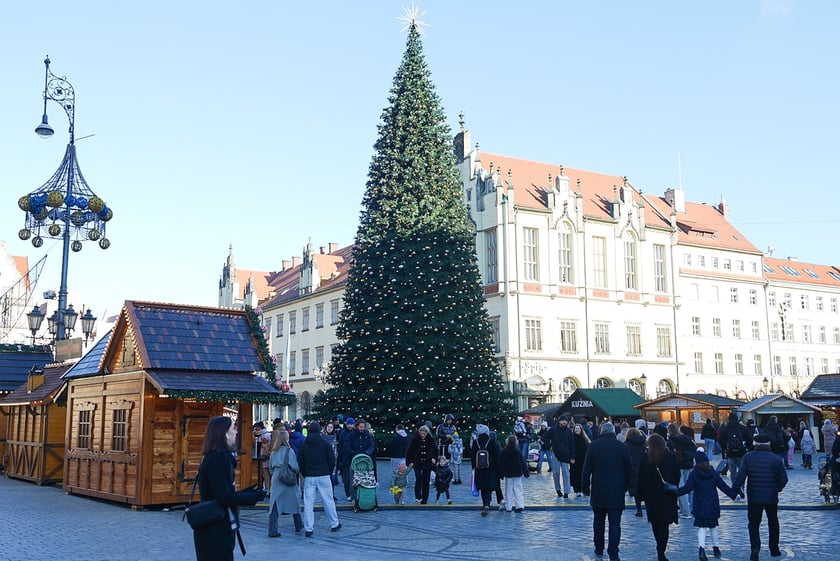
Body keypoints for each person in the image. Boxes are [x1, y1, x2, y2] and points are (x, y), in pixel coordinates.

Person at [193, 416, 264, 561]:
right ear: (224, 433)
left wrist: (247, 493)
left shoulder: (221, 457)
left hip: (219, 526)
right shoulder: (216, 459)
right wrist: (252, 498)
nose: (236, 432)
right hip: (213, 528)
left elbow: (224, 492)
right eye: (233, 428)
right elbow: (223, 496)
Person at [731, 434, 788, 561]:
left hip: (754, 497)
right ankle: (774, 549)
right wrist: (776, 488)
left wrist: (733, 491)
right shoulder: (776, 459)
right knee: (773, 523)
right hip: (771, 497)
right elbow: (784, 479)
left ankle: (755, 550)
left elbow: (740, 476)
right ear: (769, 444)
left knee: (754, 524)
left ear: (755, 444)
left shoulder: (748, 457)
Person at [580, 421, 632, 561]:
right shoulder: (622, 447)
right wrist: (625, 487)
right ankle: (613, 552)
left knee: (598, 521)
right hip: (617, 489)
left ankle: (598, 548)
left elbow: (586, 469)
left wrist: (585, 488)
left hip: (598, 489)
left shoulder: (593, 446)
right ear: (613, 432)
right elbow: (629, 470)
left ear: (601, 431)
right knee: (615, 523)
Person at [678, 450, 737, 561]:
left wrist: (675, 492)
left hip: (700, 504)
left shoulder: (694, 473)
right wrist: (733, 494)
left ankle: (701, 549)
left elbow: (688, 488)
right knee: (713, 527)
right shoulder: (713, 473)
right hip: (712, 503)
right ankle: (716, 548)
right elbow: (723, 486)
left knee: (702, 528)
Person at [636, 433, 680, 561]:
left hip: (651, 496)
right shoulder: (671, 457)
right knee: (664, 524)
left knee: (655, 523)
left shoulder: (646, 458)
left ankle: (659, 547)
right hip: (667, 496)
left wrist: (639, 495)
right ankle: (661, 550)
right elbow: (676, 476)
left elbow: (640, 478)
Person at [298, 421, 341, 537]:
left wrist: (305, 473)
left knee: (308, 503)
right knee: (328, 500)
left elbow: (300, 462)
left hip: (309, 476)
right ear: (319, 430)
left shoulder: (304, 445)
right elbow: (332, 460)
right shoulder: (325, 443)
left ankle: (308, 528)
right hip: (323, 475)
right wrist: (328, 471)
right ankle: (334, 523)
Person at [267, 427, 302, 537]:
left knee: (275, 504)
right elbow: (295, 467)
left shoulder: (273, 452)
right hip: (288, 477)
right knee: (294, 502)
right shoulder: (289, 450)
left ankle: (272, 530)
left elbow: (270, 468)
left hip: (277, 477)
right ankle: (298, 525)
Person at [667, 423, 696, 519]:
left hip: (679, 466)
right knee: (690, 488)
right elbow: (694, 449)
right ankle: (692, 509)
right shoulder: (686, 439)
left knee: (681, 488)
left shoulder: (671, 440)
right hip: (689, 464)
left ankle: (686, 511)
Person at [471, 423, 501, 516]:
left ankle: (485, 504)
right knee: (489, 486)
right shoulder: (491, 441)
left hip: (479, 468)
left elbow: (472, 456)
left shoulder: (475, 442)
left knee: (483, 487)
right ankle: (487, 503)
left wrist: (473, 467)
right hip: (490, 467)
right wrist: (498, 468)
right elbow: (496, 456)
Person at [405, 424, 437, 504]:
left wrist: (434, 458)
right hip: (417, 462)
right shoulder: (414, 440)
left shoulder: (431, 440)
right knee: (418, 478)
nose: (423, 435)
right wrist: (410, 461)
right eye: (421, 433)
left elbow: (435, 451)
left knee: (426, 480)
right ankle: (418, 496)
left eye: (424, 434)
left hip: (428, 462)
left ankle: (425, 498)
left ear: (427, 433)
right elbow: (409, 451)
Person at [717, 412, 750, 488]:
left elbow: (720, 440)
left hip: (730, 453)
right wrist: (746, 447)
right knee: (741, 471)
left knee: (733, 472)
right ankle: (742, 486)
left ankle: (735, 487)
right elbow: (749, 438)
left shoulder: (726, 428)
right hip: (741, 453)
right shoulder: (742, 428)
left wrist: (725, 448)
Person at [497, 434, 529, 512]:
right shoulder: (517, 451)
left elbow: (500, 463)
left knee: (508, 490)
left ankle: (508, 507)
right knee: (518, 489)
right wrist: (526, 472)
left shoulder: (504, 451)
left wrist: (500, 474)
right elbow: (523, 462)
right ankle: (520, 506)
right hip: (517, 473)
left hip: (508, 473)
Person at [547, 415, 576, 498]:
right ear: (559, 421)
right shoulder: (553, 430)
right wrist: (549, 446)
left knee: (566, 473)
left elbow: (572, 444)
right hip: (555, 453)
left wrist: (572, 456)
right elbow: (545, 438)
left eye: (565, 421)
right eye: (562, 420)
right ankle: (558, 489)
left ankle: (566, 491)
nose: (564, 422)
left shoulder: (569, 431)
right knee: (556, 473)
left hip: (566, 454)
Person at [625, 427, 646, 517]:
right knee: (645, 490)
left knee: (636, 490)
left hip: (632, 468)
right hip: (643, 467)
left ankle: (639, 510)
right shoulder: (644, 443)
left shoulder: (626, 444)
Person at [337, 416, 357, 501]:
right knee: (346, 478)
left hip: (354, 458)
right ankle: (348, 494)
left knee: (355, 477)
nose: (350, 426)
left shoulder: (355, 433)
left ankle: (354, 493)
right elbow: (340, 446)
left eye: (351, 424)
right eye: (349, 424)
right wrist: (340, 458)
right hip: (345, 458)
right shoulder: (343, 433)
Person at [570, 423, 590, 498]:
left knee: (583, 475)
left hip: (583, 459)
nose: (577, 430)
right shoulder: (571, 438)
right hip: (574, 460)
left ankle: (584, 490)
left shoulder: (585, 439)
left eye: (578, 428)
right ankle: (577, 490)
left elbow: (588, 447)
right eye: (576, 428)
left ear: (581, 430)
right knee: (575, 475)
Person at [252, 421, 272, 492]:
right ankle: (268, 489)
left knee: (266, 475)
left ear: (260, 427)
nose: (256, 429)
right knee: (267, 475)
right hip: (266, 457)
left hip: (264, 457)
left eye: (257, 427)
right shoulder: (267, 434)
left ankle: (267, 489)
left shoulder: (264, 435)